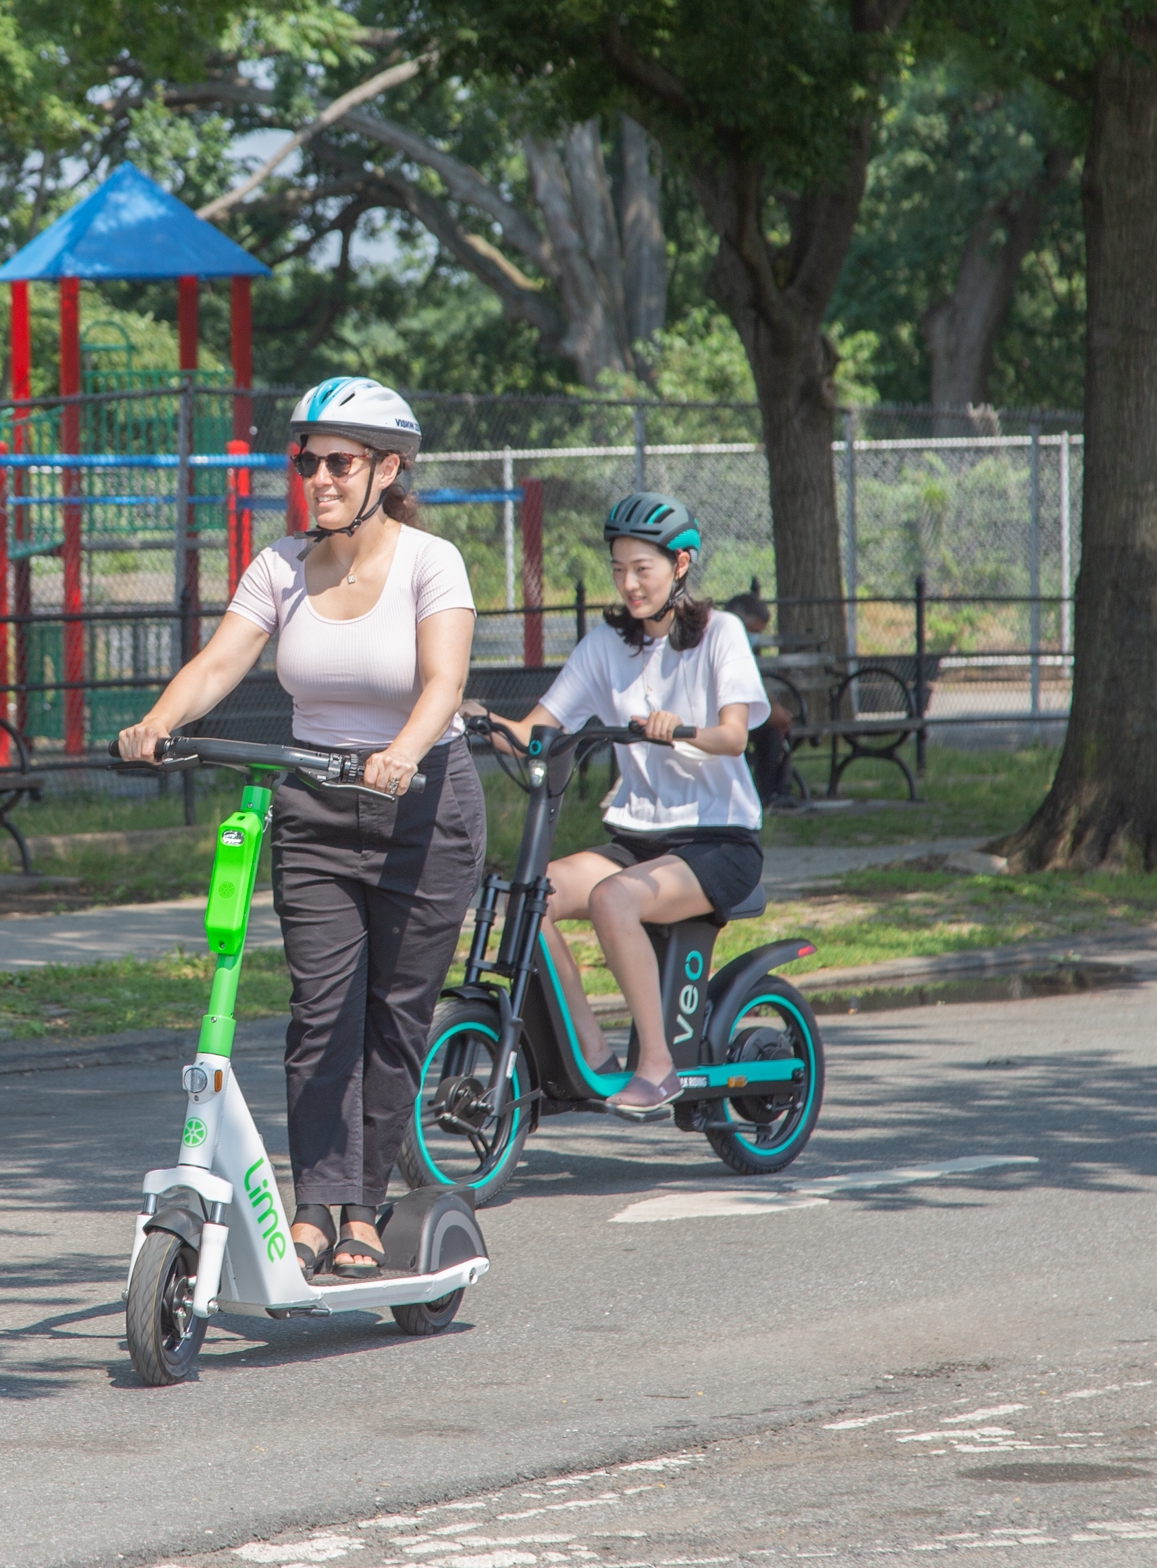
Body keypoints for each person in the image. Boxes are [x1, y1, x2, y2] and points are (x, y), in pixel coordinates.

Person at [117, 377, 484, 1279]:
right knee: (321, 1013)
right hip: (314, 802)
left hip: (424, 802)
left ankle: (364, 1207)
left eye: (339, 461)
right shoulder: (279, 566)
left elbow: (442, 682)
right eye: (306, 459)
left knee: (393, 1016)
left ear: (386, 469)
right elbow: (220, 661)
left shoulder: (431, 562)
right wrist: (157, 722)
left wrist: (400, 750)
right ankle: (315, 1204)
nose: (317, 476)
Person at [472, 493, 769, 1120]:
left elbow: (735, 735)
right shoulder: (606, 646)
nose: (629, 583)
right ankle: (590, 1052)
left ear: (681, 564)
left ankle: (658, 1067)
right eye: (618, 570)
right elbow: (537, 732)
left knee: (614, 897)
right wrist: (474, 717)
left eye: (644, 568)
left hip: (718, 843)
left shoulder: (722, 635)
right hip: (638, 839)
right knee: (529, 893)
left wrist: (678, 729)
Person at [725, 579, 797, 808]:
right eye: (753, 632)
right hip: (721, 721)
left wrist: (777, 709)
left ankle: (770, 794)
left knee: (775, 725)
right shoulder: (720, 649)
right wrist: (775, 714)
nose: (756, 639)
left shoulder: (742, 649)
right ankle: (766, 796)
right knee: (772, 727)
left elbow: (756, 687)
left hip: (742, 717)